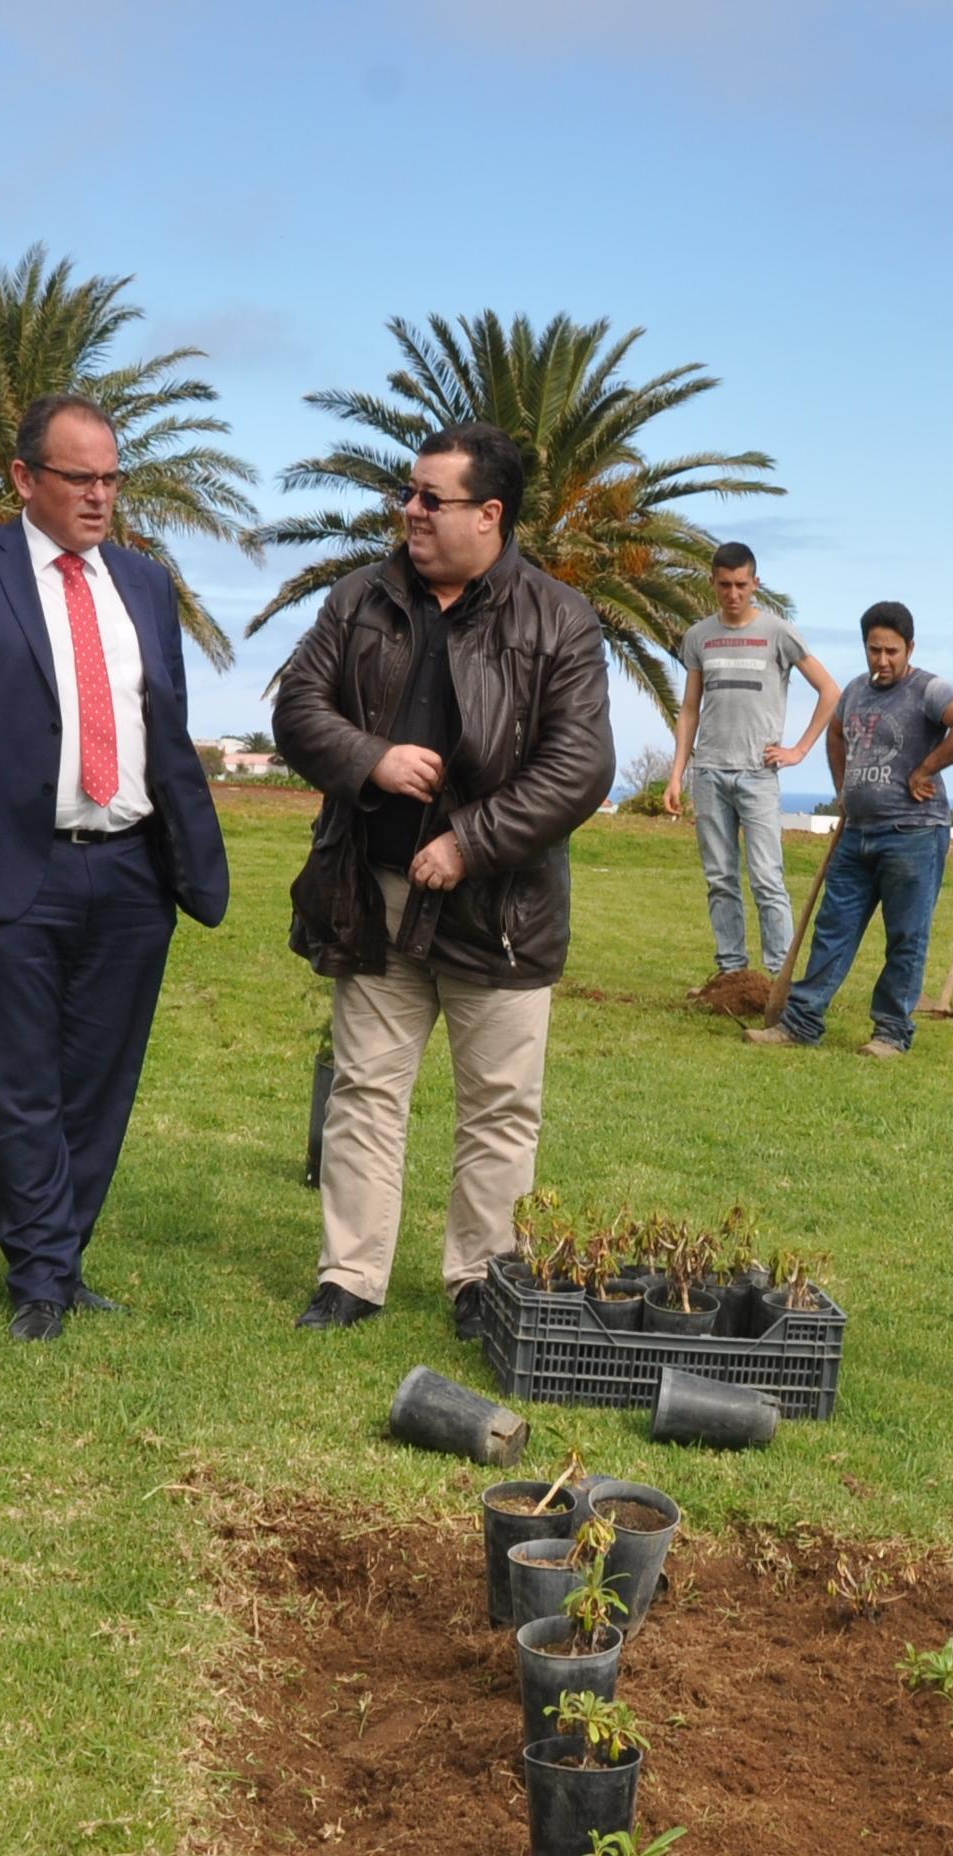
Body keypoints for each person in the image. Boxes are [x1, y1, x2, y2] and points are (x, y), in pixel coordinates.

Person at [0, 397, 232, 1341]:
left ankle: (62, 1255)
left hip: (132, 871)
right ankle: (37, 1274)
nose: (100, 497)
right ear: (27, 479)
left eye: (112, 477)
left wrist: (189, 854)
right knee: (17, 1080)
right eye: (80, 479)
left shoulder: (145, 585)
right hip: (6, 867)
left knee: (100, 1080)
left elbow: (165, 722)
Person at [271, 420, 613, 1332]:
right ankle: (350, 1276)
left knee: (499, 1109)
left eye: (432, 498)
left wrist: (469, 840)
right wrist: (371, 759)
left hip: (501, 906)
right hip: (372, 893)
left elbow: (579, 767)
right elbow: (299, 710)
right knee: (365, 1089)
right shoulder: (358, 600)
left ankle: (479, 1284)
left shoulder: (560, 618)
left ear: (489, 515)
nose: (409, 511)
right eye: (409, 493)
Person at [748, 600, 953, 1055]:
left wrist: (925, 770)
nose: (882, 660)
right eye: (874, 650)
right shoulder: (855, 691)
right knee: (832, 928)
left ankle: (891, 1032)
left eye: (891, 651)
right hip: (856, 833)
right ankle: (800, 1023)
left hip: (913, 833)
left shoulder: (928, 690)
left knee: (906, 936)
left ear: (909, 648)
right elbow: (835, 734)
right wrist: (845, 789)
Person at [662, 545, 832, 981]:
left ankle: (779, 978)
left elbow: (830, 691)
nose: (733, 594)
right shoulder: (699, 636)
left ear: (756, 584)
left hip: (758, 774)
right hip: (710, 772)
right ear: (713, 583)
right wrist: (677, 774)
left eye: (741, 585)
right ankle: (731, 974)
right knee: (720, 878)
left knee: (767, 879)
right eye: (724, 585)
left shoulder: (779, 633)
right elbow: (689, 709)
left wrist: (798, 750)